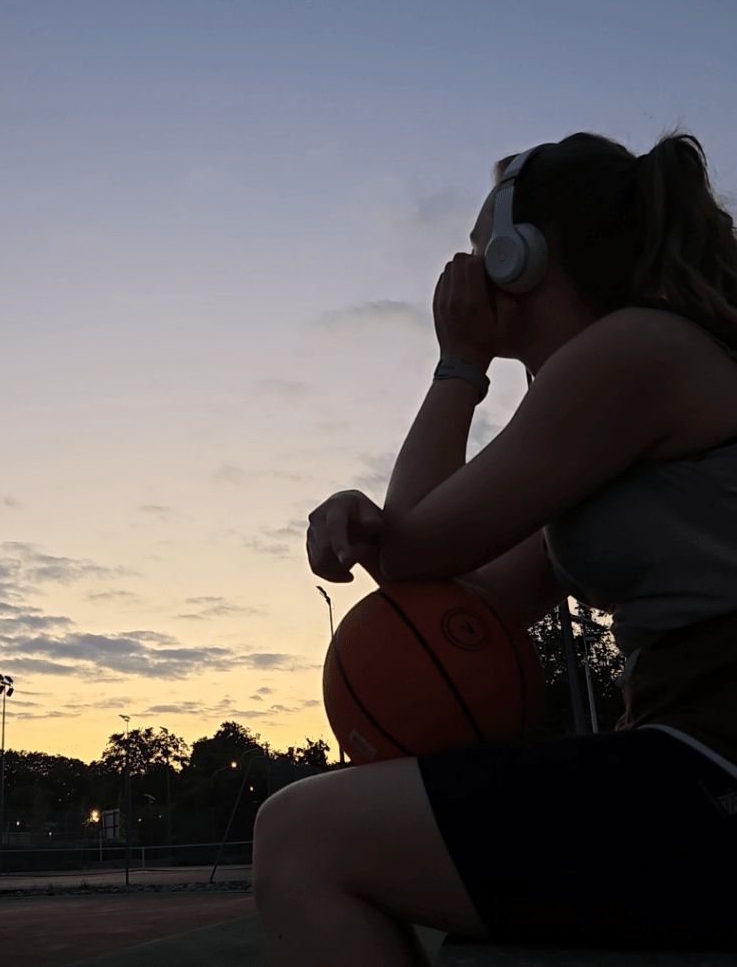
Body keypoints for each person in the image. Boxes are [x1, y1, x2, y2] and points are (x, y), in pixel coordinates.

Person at [252, 131, 737, 966]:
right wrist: (393, 536)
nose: (465, 266)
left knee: (299, 837)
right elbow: (466, 596)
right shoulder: (609, 396)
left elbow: (416, 544)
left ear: (520, 257)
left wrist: (458, 360)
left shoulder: (632, 351)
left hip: (715, 754)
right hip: (696, 753)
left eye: (481, 246)